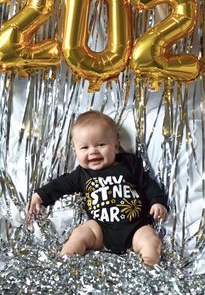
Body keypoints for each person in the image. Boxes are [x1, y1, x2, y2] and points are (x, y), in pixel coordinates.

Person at [27, 110, 168, 266]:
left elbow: (147, 184)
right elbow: (60, 185)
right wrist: (40, 195)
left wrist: (157, 201)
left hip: (135, 227)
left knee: (151, 239)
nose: (93, 151)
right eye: (84, 147)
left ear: (116, 145)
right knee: (79, 233)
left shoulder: (129, 164)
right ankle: (65, 262)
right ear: (75, 151)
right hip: (100, 229)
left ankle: (149, 268)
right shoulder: (81, 174)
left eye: (101, 145)